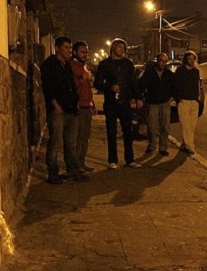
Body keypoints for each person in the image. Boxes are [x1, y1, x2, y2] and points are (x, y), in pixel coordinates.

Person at [41, 36, 88, 184]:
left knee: (71, 143)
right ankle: (53, 173)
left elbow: (72, 86)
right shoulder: (49, 65)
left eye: (70, 47)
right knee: (55, 142)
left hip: (71, 109)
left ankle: (73, 171)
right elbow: (48, 88)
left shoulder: (66, 65)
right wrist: (55, 105)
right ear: (57, 48)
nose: (69, 51)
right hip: (58, 111)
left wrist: (75, 103)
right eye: (66, 47)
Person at [93, 38, 143, 169]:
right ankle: (112, 160)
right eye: (119, 47)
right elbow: (97, 82)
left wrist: (137, 97)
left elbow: (133, 82)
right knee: (111, 131)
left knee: (128, 131)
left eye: (123, 48)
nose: (122, 49)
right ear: (113, 48)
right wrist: (109, 87)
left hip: (125, 101)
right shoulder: (104, 64)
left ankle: (130, 159)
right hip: (110, 103)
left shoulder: (128, 63)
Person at [139, 53, 176, 156]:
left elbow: (175, 87)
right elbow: (141, 85)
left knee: (165, 126)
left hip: (165, 103)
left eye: (165, 61)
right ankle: (151, 146)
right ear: (157, 61)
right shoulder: (149, 73)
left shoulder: (169, 74)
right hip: (152, 103)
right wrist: (140, 98)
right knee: (151, 126)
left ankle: (163, 147)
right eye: (161, 60)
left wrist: (172, 97)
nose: (162, 63)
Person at [70, 41, 96, 172]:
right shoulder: (72, 66)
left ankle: (82, 162)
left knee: (85, 138)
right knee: (77, 138)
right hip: (79, 107)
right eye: (82, 52)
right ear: (74, 52)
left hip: (87, 106)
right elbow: (72, 88)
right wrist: (81, 78)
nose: (85, 54)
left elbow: (88, 88)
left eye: (86, 52)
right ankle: (75, 165)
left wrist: (93, 103)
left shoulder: (84, 66)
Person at [173, 51, 204, 154]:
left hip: (194, 101)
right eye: (189, 59)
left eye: (193, 59)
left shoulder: (196, 71)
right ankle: (190, 146)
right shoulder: (180, 70)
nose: (191, 61)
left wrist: (199, 99)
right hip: (183, 100)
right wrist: (178, 100)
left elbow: (198, 87)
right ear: (185, 59)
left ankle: (185, 143)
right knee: (185, 124)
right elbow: (175, 86)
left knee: (192, 125)